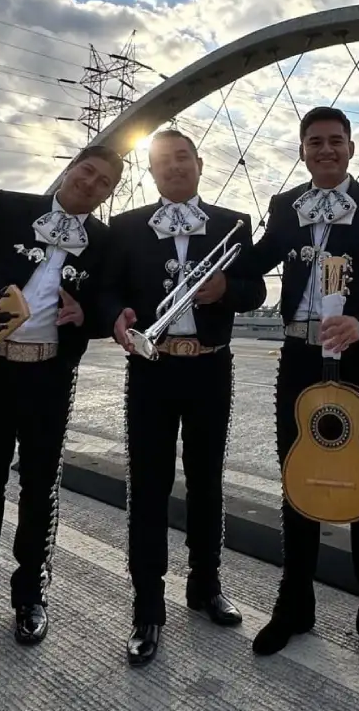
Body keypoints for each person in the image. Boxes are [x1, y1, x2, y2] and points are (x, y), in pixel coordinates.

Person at [234, 106, 359, 677]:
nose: (325, 149)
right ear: (302, 151)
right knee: (298, 480)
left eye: (334, 141)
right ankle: (295, 607)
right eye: (314, 142)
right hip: (297, 356)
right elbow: (253, 262)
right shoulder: (284, 209)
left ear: (350, 147)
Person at [0, 144, 123, 656]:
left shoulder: (104, 241)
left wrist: (88, 317)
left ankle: (30, 595)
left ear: (109, 194)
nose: (91, 184)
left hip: (49, 375)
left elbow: (109, 303)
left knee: (40, 491)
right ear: (70, 169)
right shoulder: (10, 207)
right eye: (87, 171)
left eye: (104, 182)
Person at [103, 128, 267, 667]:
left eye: (182, 158)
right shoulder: (125, 227)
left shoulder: (231, 223)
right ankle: (147, 606)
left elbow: (258, 289)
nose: (174, 168)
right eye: (162, 162)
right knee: (147, 485)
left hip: (209, 367)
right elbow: (108, 288)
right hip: (150, 367)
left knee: (206, 481)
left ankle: (205, 586)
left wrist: (228, 290)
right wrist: (115, 316)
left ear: (199, 164)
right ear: (151, 172)